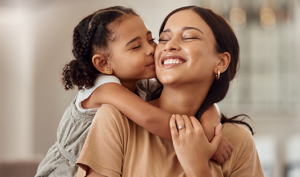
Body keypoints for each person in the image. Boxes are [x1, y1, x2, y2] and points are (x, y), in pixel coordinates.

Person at [35, 6, 229, 177]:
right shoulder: (105, 88)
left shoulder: (140, 85)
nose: (151, 49)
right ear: (104, 63)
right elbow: (150, 118)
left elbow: (203, 102)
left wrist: (210, 124)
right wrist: (201, 143)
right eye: (136, 46)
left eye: (151, 39)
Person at [76, 5, 264, 177]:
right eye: (164, 38)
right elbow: (149, 117)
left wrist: (198, 168)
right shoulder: (116, 119)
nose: (168, 46)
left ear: (221, 62)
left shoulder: (237, 141)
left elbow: (210, 106)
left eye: (189, 37)